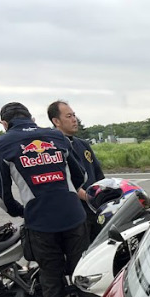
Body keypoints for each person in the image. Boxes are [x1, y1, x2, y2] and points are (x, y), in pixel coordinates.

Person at [0, 101, 89, 297]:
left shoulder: (1, 144)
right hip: (73, 216)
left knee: (51, 281)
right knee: (84, 276)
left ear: (4, 123)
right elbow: (80, 176)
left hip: (41, 222)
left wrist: (21, 211)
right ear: (31, 118)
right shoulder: (56, 136)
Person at [48, 100, 105, 240]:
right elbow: (63, 181)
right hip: (75, 214)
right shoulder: (52, 148)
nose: (74, 119)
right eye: (69, 116)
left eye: (74, 115)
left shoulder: (83, 145)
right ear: (56, 121)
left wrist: (103, 195)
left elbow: (98, 174)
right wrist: (88, 198)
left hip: (95, 210)